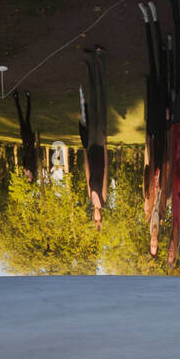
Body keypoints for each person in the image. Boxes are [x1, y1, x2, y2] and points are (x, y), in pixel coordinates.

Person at [79, 46, 109, 229]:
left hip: (91, 146)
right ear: (101, 217)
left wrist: (85, 149)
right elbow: (105, 172)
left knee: (92, 107)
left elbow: (87, 172)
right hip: (100, 144)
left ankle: (90, 65)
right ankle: (100, 60)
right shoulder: (103, 199)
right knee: (101, 101)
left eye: (94, 218)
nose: (96, 216)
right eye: (98, 218)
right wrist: (105, 146)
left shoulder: (91, 197)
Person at [11, 89, 37, 182]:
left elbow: (23, 156)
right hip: (29, 138)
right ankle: (28, 96)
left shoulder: (26, 169)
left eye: (28, 178)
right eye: (30, 178)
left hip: (24, 139)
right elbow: (33, 153)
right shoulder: (34, 167)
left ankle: (16, 97)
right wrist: (29, 167)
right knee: (27, 117)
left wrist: (25, 168)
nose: (28, 176)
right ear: (33, 176)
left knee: (20, 116)